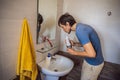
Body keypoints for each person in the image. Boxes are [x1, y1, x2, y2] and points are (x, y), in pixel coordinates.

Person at [58, 13, 104, 80]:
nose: (63, 29)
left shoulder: (80, 31)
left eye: (62, 27)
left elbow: (92, 54)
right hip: (90, 61)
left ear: (67, 24)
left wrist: (74, 52)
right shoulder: (81, 27)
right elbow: (88, 44)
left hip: (94, 64)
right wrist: (75, 44)